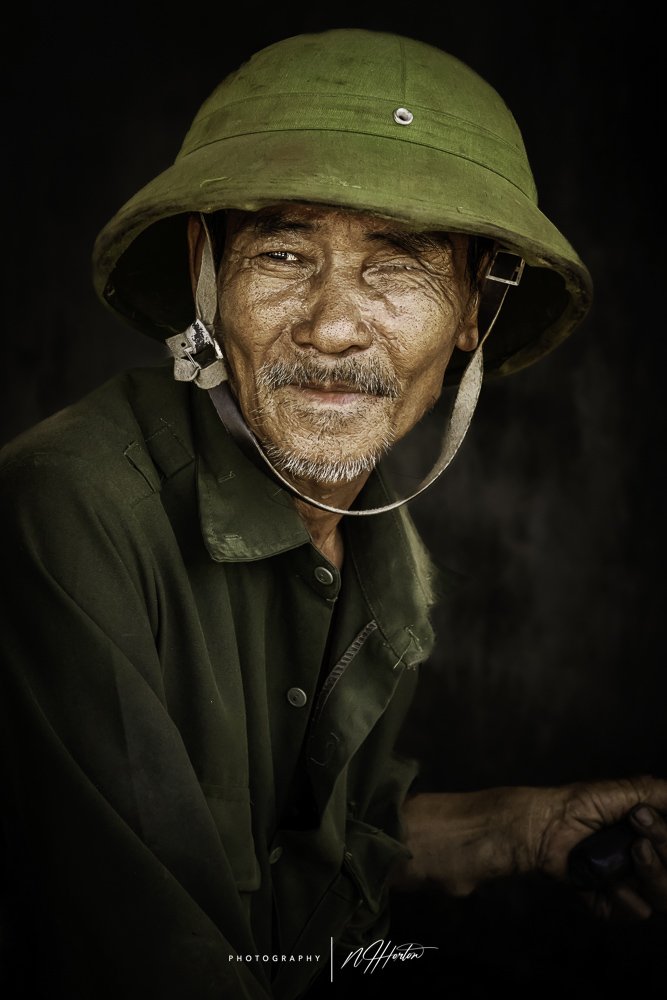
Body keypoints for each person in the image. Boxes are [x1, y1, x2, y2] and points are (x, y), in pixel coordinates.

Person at [0, 26, 665, 1000]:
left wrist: (518, 829)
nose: (331, 324)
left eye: (397, 263)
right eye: (281, 251)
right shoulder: (66, 512)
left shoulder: (364, 544)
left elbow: (286, 856)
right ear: (207, 271)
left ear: (476, 302)